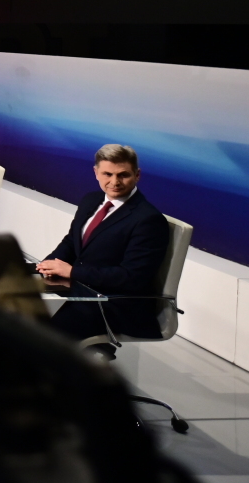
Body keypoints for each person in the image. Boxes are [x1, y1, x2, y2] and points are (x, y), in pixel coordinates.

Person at [36, 144, 169, 359]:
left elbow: (132, 278)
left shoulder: (148, 220)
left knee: (43, 341)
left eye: (123, 175)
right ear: (96, 172)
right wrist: (48, 263)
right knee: (16, 313)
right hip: (85, 290)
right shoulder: (90, 200)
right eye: (107, 174)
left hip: (117, 304)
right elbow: (71, 241)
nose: (114, 182)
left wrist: (72, 272)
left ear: (137, 175)